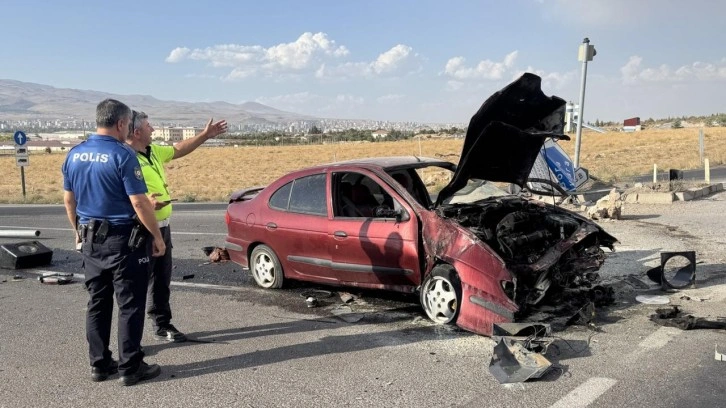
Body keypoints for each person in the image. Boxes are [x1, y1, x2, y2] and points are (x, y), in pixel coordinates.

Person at [62, 98, 166, 386]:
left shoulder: (75, 154)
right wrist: (157, 236)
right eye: (129, 124)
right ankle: (131, 367)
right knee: (130, 304)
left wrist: (77, 231)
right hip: (123, 241)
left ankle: (99, 364)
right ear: (121, 123)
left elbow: (69, 200)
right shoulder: (123, 155)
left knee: (97, 302)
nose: (130, 129)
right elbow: (139, 203)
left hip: (90, 239)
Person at [126, 111, 228, 342]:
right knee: (137, 283)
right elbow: (119, 194)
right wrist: (144, 204)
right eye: (149, 126)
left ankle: (162, 325)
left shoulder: (152, 151)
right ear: (137, 132)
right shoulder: (125, 158)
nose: (153, 129)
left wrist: (205, 135)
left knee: (161, 279)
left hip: (162, 226)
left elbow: (178, 149)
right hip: (141, 229)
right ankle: (131, 338)